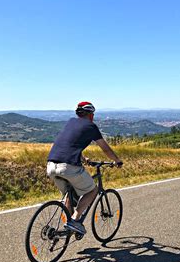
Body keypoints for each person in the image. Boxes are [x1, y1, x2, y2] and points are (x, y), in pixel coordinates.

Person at [46, 101, 123, 235]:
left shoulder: (70, 122)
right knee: (92, 190)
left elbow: (70, 144)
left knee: (68, 195)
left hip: (51, 165)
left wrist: (84, 159)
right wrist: (117, 160)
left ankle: (66, 229)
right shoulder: (91, 126)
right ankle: (75, 221)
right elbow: (105, 149)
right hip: (68, 167)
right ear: (90, 114)